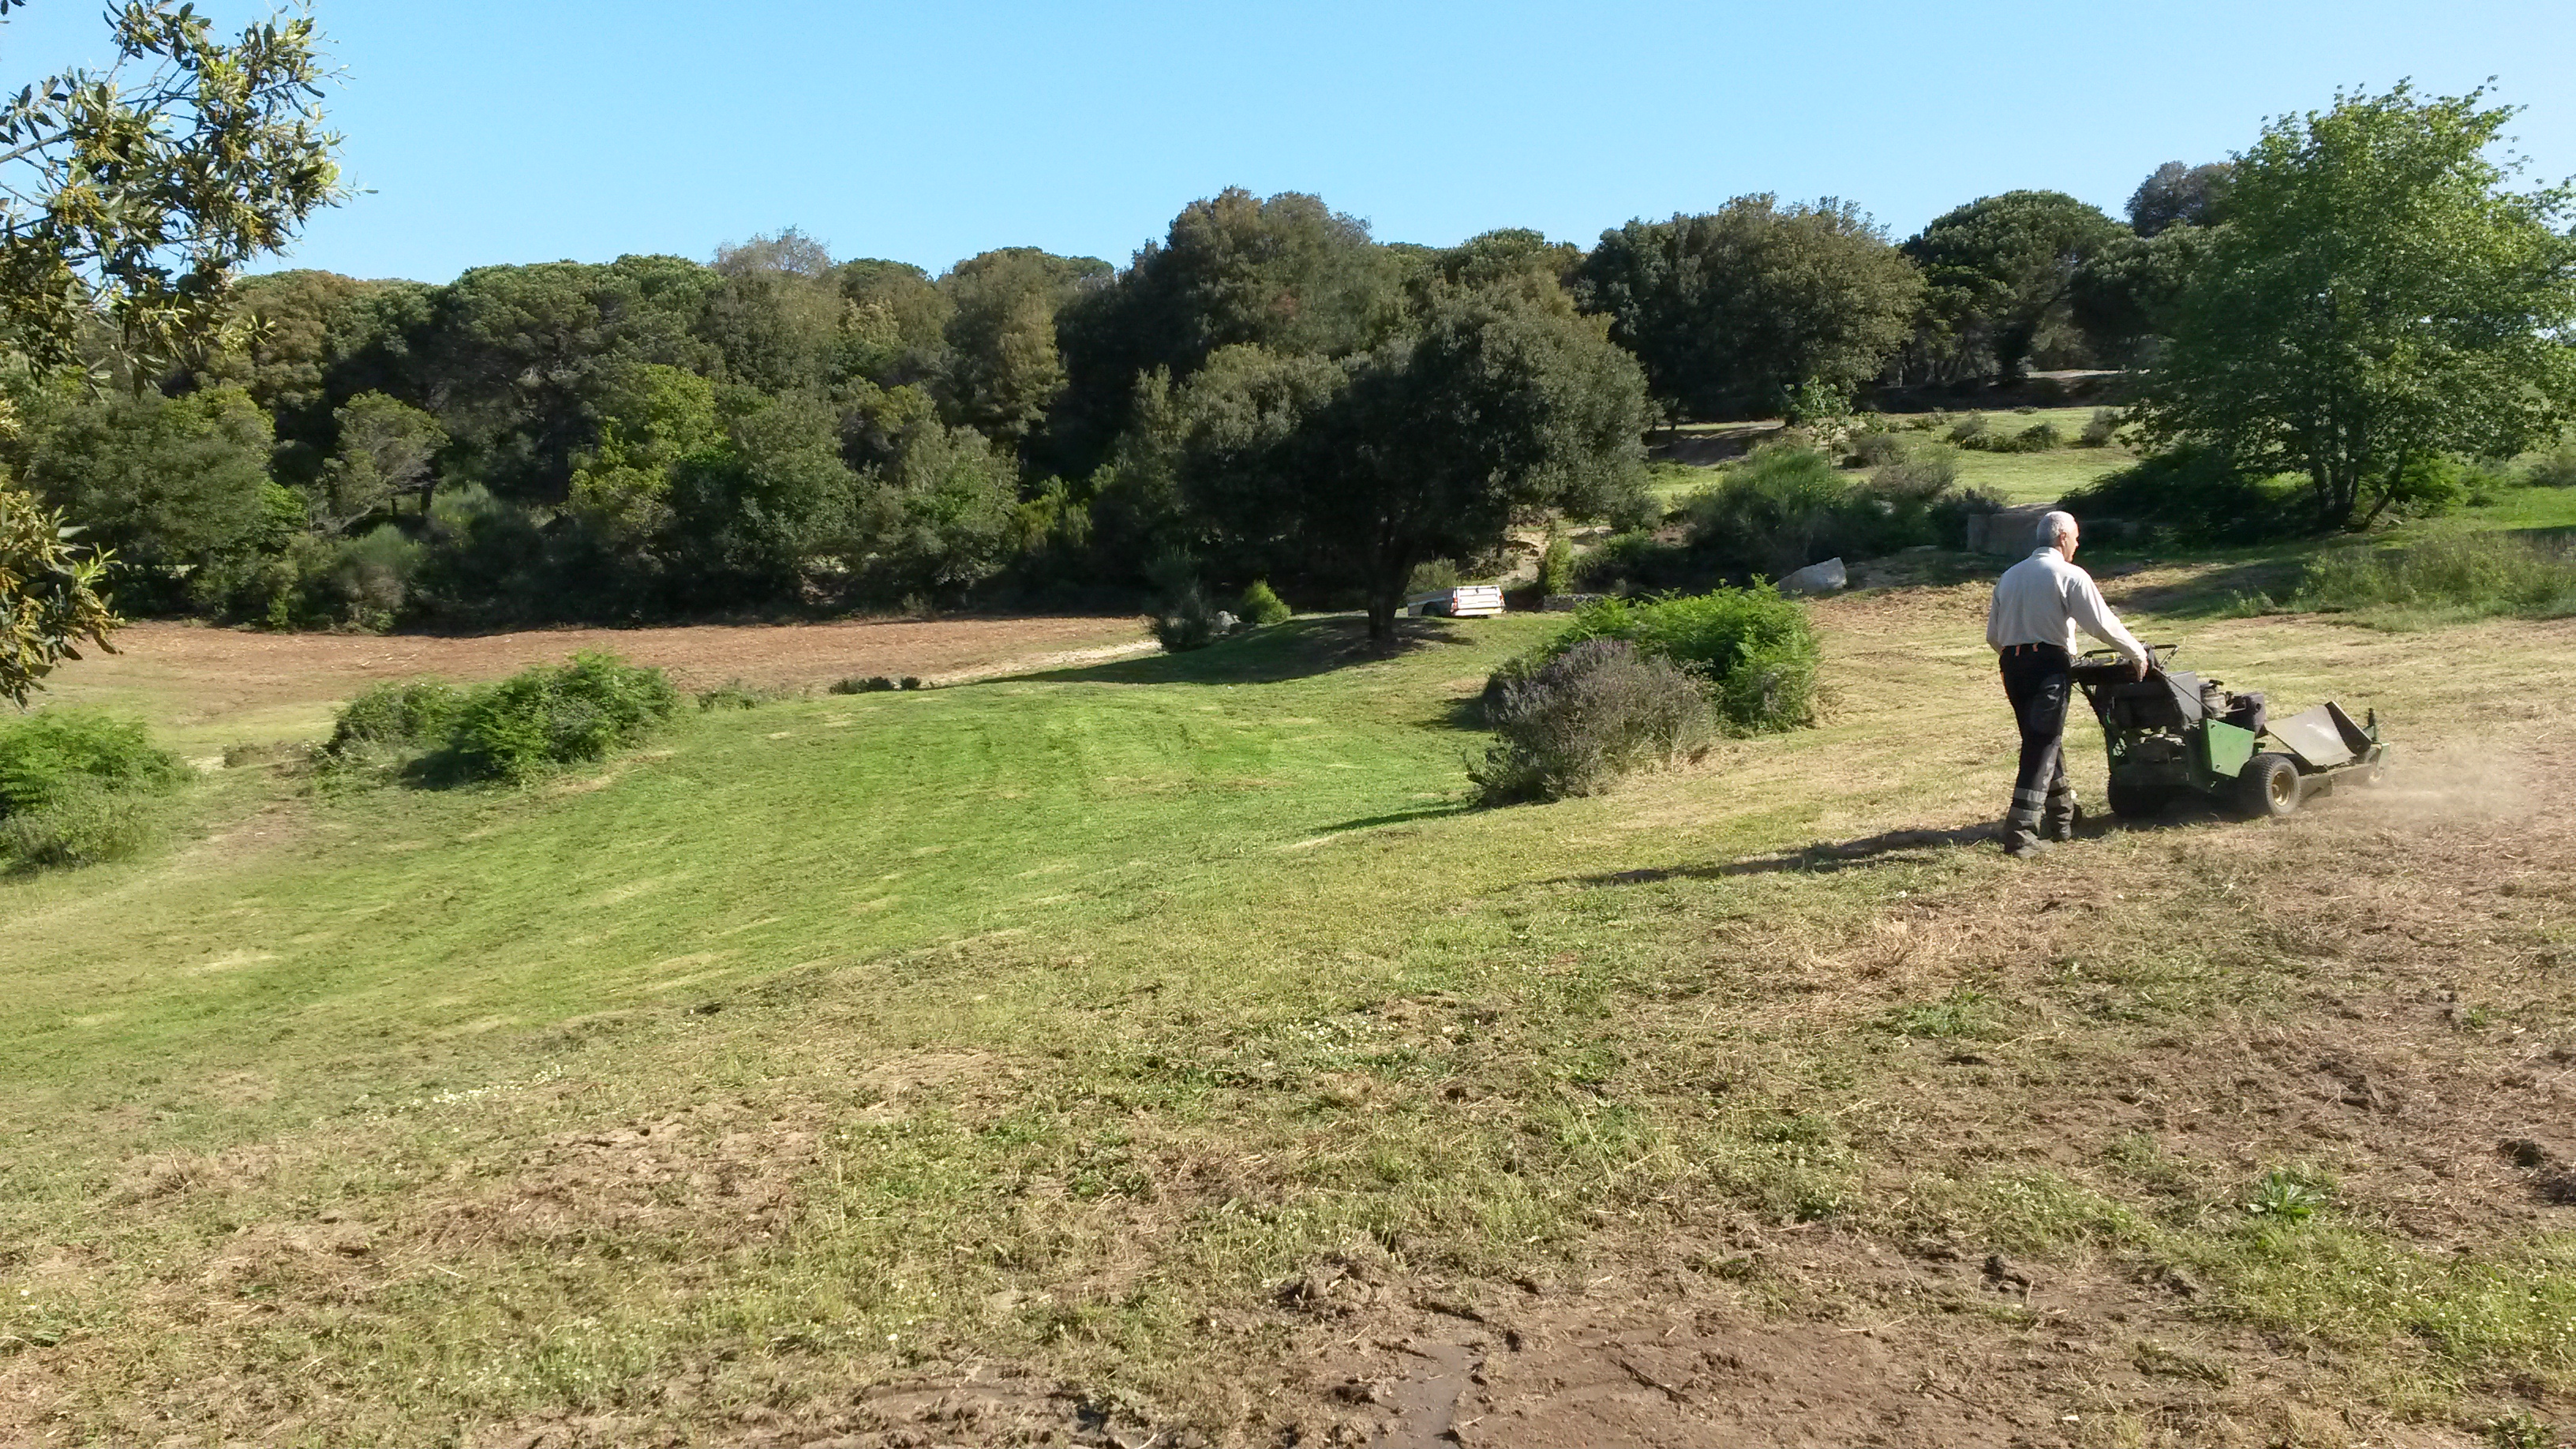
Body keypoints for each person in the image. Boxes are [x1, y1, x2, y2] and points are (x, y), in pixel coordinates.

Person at [1985, 511, 2149, 858]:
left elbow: (1993, 636)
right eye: (2075, 537)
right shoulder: (2069, 575)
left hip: (2012, 665)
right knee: (2041, 743)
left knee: (2042, 737)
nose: (2077, 544)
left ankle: (2061, 819)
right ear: (2062, 538)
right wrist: (2136, 653)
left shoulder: (2010, 576)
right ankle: (2020, 834)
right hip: (2048, 664)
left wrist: (2019, 655)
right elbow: (2101, 625)